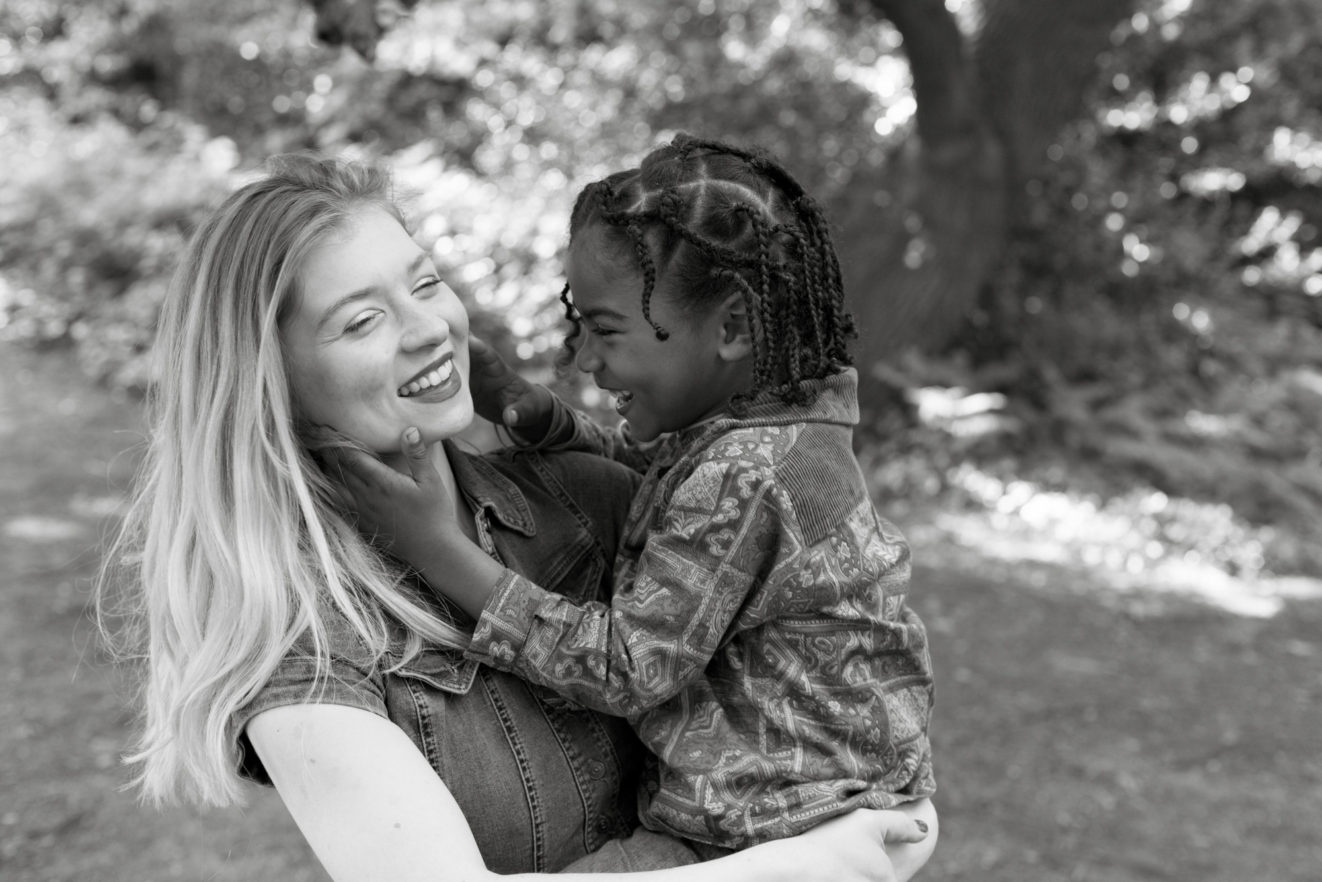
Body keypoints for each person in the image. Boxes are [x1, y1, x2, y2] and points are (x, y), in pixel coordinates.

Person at [98, 152, 937, 882]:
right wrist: (798, 869)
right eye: (362, 320)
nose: (430, 327)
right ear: (266, 381)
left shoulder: (583, 495)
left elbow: (706, 558)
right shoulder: (305, 654)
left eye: (425, 283)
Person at [329, 134, 937, 858]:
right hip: (810, 808)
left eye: (606, 331)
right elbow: (669, 484)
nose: (584, 358)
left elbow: (626, 668)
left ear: (734, 328)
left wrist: (436, 547)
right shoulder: (775, 435)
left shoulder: (743, 476)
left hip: (765, 834)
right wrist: (544, 417)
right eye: (578, 325)